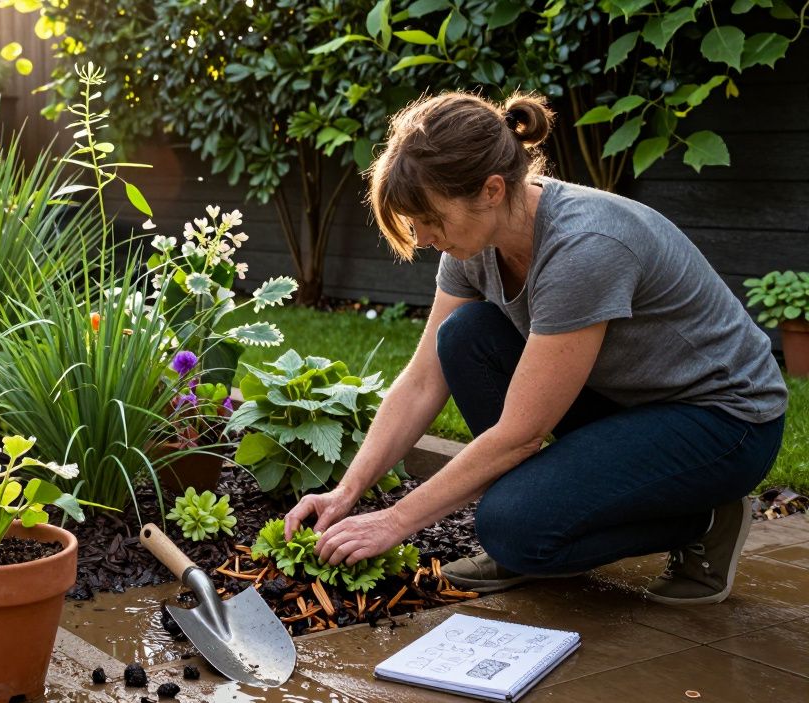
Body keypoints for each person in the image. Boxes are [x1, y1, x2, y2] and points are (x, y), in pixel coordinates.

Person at [283, 91, 787, 605]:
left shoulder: (583, 247)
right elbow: (422, 379)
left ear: (492, 189)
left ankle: (702, 516)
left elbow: (521, 435)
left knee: (511, 529)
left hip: (725, 422)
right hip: (629, 401)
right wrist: (346, 493)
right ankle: (544, 514)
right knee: (463, 336)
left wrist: (394, 522)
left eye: (431, 220)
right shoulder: (473, 243)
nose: (424, 237)